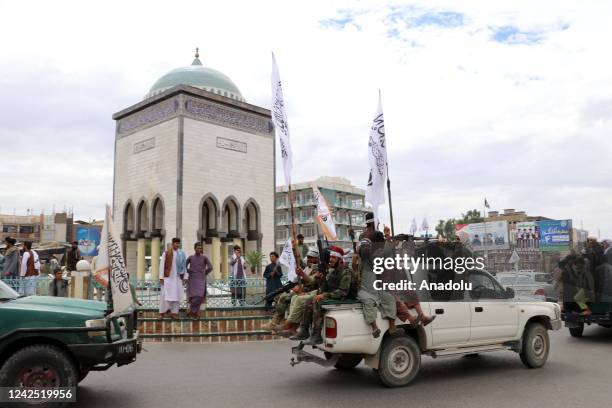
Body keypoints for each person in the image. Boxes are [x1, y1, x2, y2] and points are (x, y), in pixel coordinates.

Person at [357, 214, 398, 338]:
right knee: (369, 302)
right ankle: (374, 328)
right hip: (363, 291)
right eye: (363, 247)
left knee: (389, 299)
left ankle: (392, 327)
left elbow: (386, 252)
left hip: (375, 290)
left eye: (367, 247)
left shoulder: (372, 258)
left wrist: (388, 238)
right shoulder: (356, 262)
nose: (365, 249)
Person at [302, 246, 352, 345]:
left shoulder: (346, 272)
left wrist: (325, 295)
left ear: (340, 259)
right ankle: (304, 331)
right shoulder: (332, 271)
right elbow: (324, 287)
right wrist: (321, 279)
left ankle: (316, 335)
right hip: (333, 296)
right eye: (330, 258)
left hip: (342, 298)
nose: (331, 260)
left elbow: (343, 292)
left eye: (334, 258)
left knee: (318, 301)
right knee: (309, 301)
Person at [275, 249, 320, 337]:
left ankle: (289, 325)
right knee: (291, 297)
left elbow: (311, 282)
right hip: (305, 289)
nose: (309, 259)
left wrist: (301, 286)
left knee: (295, 298)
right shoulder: (308, 267)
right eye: (308, 257)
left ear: (316, 259)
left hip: (310, 290)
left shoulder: (316, 268)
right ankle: (290, 325)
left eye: (311, 258)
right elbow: (303, 279)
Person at [159, 237, 187, 319]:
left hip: (178, 278)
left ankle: (174, 313)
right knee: (165, 295)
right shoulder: (166, 253)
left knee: (177, 295)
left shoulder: (182, 254)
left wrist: (185, 276)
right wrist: (161, 277)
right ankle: (162, 313)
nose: (177, 245)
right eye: (175, 243)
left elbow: (184, 266)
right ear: (172, 243)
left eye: (178, 243)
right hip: (168, 278)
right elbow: (162, 266)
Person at [186, 242, 213, 318]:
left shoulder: (204, 257)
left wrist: (204, 272)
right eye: (198, 248)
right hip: (192, 279)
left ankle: (191, 310)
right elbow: (184, 267)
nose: (199, 249)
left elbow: (210, 267)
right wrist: (189, 271)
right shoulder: (190, 257)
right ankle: (195, 313)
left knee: (200, 296)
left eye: (200, 248)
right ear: (194, 249)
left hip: (201, 279)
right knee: (193, 296)